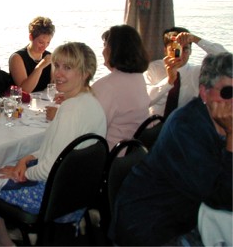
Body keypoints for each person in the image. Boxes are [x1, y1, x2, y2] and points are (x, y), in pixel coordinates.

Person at [0, 42, 107, 246]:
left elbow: (48, 170)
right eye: (57, 65)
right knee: (12, 164)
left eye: (67, 68)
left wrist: (20, 173)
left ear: (85, 73)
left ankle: (3, 241)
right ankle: (17, 230)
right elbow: (57, 148)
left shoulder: (70, 110)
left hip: (53, 199)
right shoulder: (90, 101)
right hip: (78, 193)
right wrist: (26, 159)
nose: (58, 73)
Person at [110, 52, 232, 246]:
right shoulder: (186, 127)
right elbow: (223, 198)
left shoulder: (218, 121)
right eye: (228, 93)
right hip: (153, 228)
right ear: (204, 92)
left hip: (186, 217)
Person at [144, 27, 227, 118]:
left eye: (185, 49)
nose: (180, 54)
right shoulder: (153, 69)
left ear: (191, 51)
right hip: (154, 123)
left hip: (184, 125)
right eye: (175, 49)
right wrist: (169, 81)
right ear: (165, 50)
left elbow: (226, 59)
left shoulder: (197, 72)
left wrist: (195, 39)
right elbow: (145, 100)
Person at [92, 25, 150, 150]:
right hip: (133, 152)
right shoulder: (139, 78)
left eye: (105, 45)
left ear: (114, 50)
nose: (103, 51)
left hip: (110, 155)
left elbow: (92, 129)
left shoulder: (107, 86)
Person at [9, 16, 55, 93]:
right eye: (41, 42)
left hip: (44, 102)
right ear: (31, 37)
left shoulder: (49, 56)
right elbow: (24, 91)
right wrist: (40, 67)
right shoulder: (17, 57)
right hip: (23, 103)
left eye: (48, 42)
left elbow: (54, 86)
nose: (44, 47)